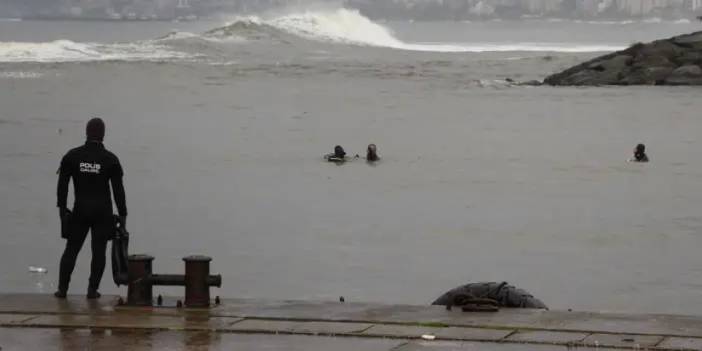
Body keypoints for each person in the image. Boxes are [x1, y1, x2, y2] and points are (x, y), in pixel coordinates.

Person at [55, 118, 127, 299]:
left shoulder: (72, 156)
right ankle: (92, 290)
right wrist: (123, 215)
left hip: (80, 210)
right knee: (99, 251)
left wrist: (62, 209)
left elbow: (62, 185)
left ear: (86, 132)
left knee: (71, 249)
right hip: (103, 211)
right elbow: (118, 191)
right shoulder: (110, 159)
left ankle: (62, 290)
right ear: (103, 134)